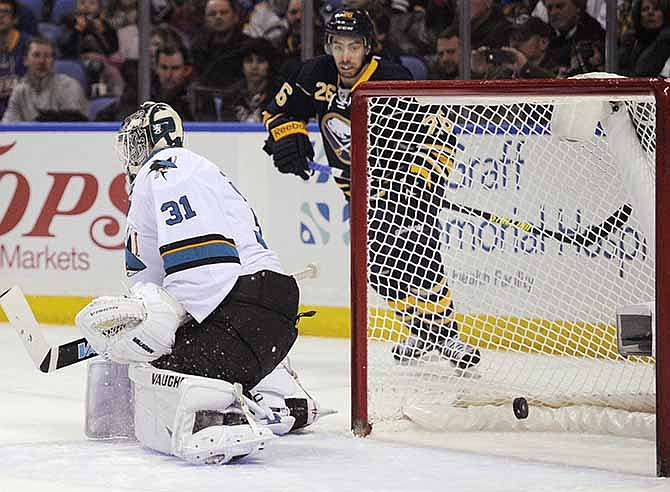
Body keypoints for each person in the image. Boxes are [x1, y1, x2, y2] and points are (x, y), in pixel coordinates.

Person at [76, 101, 321, 464]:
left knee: (150, 372)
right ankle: (281, 397)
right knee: (204, 354)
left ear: (152, 140)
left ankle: (216, 419)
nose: (129, 155)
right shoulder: (198, 169)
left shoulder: (163, 171)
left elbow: (204, 274)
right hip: (272, 323)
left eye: (133, 143)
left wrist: (148, 329)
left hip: (238, 313)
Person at [262, 8, 481, 368]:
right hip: (356, 188)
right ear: (328, 45)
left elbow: (441, 131)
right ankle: (423, 330)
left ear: (368, 47)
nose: (345, 56)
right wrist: (289, 135)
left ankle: (448, 338)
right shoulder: (315, 73)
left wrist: (423, 179)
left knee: (418, 255)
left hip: (405, 183)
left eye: (353, 47)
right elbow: (277, 112)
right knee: (379, 267)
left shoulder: (392, 78)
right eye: (338, 46)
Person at [2, 35, 89, 122]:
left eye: (47, 56)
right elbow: (8, 127)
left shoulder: (69, 87)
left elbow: (74, 127)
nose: (42, 61)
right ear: (25, 61)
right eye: (36, 55)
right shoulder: (19, 91)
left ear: (53, 61)